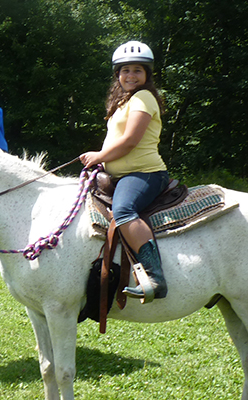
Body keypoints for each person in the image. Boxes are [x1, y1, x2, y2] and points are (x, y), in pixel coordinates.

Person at [78, 41, 169, 302]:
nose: (131, 75)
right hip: (120, 175)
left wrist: (99, 155)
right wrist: (102, 159)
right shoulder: (124, 102)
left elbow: (130, 141)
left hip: (145, 174)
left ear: (147, 75)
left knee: (124, 210)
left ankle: (155, 278)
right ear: (118, 74)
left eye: (138, 70)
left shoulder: (144, 97)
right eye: (125, 70)